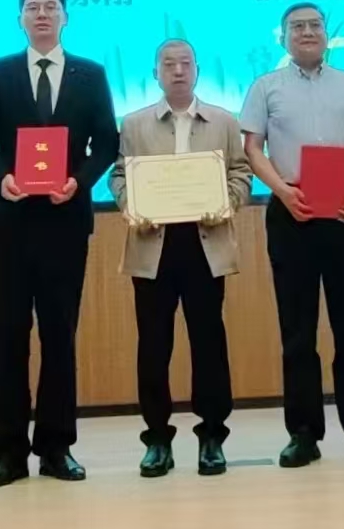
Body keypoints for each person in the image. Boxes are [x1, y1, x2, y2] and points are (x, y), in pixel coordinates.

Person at [0, 0, 122, 488]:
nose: (42, 15)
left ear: (65, 17)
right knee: (8, 336)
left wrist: (80, 181)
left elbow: (107, 142)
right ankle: (8, 452)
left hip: (64, 222)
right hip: (8, 223)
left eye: (51, 8)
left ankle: (56, 447)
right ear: (20, 20)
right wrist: (1, 177)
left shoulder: (90, 74)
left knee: (59, 335)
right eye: (32, 8)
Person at [240, 2, 344, 469]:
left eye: (315, 25)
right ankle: (303, 434)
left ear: (327, 33)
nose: (307, 32)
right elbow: (252, 147)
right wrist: (282, 190)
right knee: (297, 331)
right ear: (283, 36)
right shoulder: (265, 86)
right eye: (297, 27)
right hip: (293, 212)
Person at [109, 39, 252, 479]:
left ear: (197, 71)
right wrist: (131, 205)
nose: (177, 70)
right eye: (168, 64)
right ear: (155, 73)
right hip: (153, 244)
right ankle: (157, 439)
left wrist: (226, 203)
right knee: (154, 345)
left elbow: (240, 172)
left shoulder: (223, 121)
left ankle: (212, 437)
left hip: (205, 243)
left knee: (209, 343)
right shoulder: (134, 124)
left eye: (185, 63)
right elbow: (119, 174)